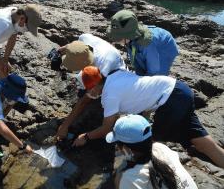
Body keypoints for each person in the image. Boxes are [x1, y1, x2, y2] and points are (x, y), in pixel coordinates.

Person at [72, 66, 224, 168]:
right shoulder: (115, 74)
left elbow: (106, 128)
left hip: (170, 100)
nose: (88, 94)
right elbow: (139, 95)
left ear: (93, 87)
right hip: (179, 89)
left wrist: (85, 137)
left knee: (145, 141)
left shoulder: (109, 96)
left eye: (88, 90)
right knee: (201, 141)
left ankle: (145, 174)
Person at [56, 33, 126, 140]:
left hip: (117, 75)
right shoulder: (84, 38)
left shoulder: (103, 67)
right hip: (100, 63)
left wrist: (65, 125)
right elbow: (73, 47)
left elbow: (85, 100)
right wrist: (61, 51)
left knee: (95, 99)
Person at [106, 115, 198, 189]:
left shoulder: (129, 178)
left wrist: (119, 177)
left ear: (126, 148)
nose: (117, 148)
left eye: (117, 144)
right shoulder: (161, 148)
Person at [107, 10, 179, 76]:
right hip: (147, 44)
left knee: (157, 75)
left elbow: (154, 70)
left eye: (118, 38)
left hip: (165, 47)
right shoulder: (130, 38)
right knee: (139, 66)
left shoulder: (147, 44)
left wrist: (145, 82)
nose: (115, 41)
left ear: (128, 36)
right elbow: (134, 58)